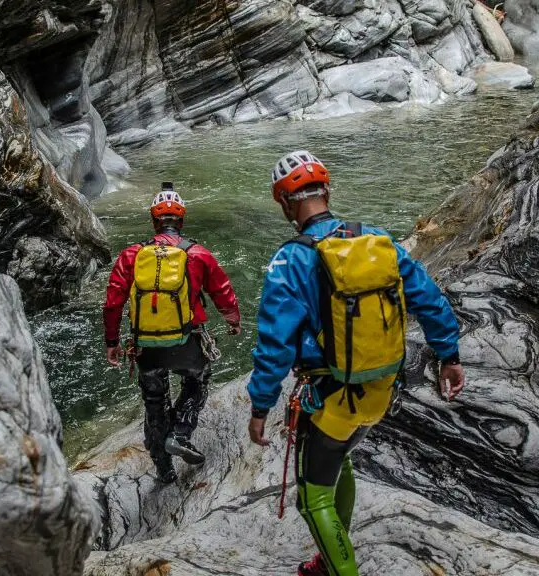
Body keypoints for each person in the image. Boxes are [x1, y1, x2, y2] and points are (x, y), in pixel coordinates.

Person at [246, 151, 465, 576]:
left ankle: (340, 570)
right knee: (339, 458)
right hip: (383, 390)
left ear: (285, 203)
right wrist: (449, 357)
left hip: (331, 399)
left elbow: (274, 345)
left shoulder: (290, 260)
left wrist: (260, 407)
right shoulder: (377, 240)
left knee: (313, 501)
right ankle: (331, 561)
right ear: (326, 190)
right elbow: (430, 299)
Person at [104, 182, 242, 484]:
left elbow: (113, 301)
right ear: (181, 220)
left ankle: (164, 470)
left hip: (146, 347)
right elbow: (222, 292)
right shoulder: (198, 254)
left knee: (154, 402)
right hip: (188, 342)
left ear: (154, 221)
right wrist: (233, 320)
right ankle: (180, 432)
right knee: (198, 380)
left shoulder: (131, 255)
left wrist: (112, 342)